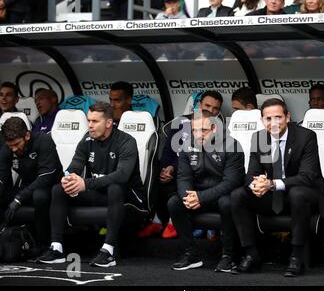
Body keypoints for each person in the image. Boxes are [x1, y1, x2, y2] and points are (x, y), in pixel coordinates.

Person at [231, 98, 324, 277]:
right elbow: (250, 175)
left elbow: (307, 177)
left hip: (306, 193)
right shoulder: (259, 137)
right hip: (275, 196)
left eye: (278, 117)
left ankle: (296, 257)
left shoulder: (306, 136)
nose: (273, 123)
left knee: (297, 193)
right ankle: (251, 254)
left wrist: (272, 184)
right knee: (239, 195)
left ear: (288, 117)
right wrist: (257, 184)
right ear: (262, 120)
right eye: (268, 119)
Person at [37, 102, 146, 267]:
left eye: (95, 121)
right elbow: (74, 167)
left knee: (115, 188)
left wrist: (86, 184)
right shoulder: (86, 139)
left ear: (109, 123)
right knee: (59, 190)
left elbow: (122, 176)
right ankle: (56, 247)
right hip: (98, 193)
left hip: (128, 197)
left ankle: (108, 251)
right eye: (89, 120)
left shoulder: (126, 141)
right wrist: (68, 178)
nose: (90, 125)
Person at [140, 91, 224, 239]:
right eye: (207, 106)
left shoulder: (217, 127)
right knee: (155, 178)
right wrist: (165, 169)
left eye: (215, 108)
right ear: (199, 105)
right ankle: (158, 221)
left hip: (197, 174)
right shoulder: (181, 122)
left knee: (182, 182)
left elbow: (199, 155)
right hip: (177, 169)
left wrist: (174, 168)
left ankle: (180, 225)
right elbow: (168, 150)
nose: (211, 110)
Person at [168, 110, 244, 272]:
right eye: (194, 130)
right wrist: (187, 197)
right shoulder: (187, 147)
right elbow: (183, 178)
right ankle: (191, 254)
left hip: (222, 195)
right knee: (175, 202)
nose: (198, 135)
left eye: (203, 130)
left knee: (227, 202)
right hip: (198, 197)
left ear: (215, 128)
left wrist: (201, 197)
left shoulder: (232, 145)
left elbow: (231, 182)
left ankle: (228, 256)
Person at [0, 117, 63, 256]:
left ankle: (43, 244)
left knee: (39, 196)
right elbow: (3, 178)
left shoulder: (43, 140)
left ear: (27, 135)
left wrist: (18, 199)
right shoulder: (7, 148)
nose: (14, 149)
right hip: (27, 188)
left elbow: (45, 177)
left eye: (17, 144)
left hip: (51, 186)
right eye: (10, 146)